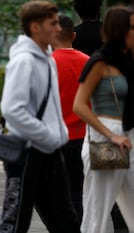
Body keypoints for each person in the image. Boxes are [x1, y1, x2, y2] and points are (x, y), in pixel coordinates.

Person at [0, 1, 81, 232]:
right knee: (15, 221)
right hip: (28, 152)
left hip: (49, 151)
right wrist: (48, 135)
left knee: (65, 220)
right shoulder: (24, 61)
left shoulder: (46, 59)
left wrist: (55, 136)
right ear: (35, 27)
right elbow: (12, 109)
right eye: (52, 23)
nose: (57, 28)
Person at [73, 6, 134, 233]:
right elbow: (79, 105)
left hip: (129, 135)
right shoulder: (100, 61)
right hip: (108, 135)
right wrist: (112, 135)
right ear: (121, 31)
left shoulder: (127, 62)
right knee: (97, 213)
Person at [52, 15, 90, 225]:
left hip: (56, 139)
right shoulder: (88, 62)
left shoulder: (47, 64)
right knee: (78, 192)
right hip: (84, 137)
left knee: (55, 194)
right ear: (73, 36)